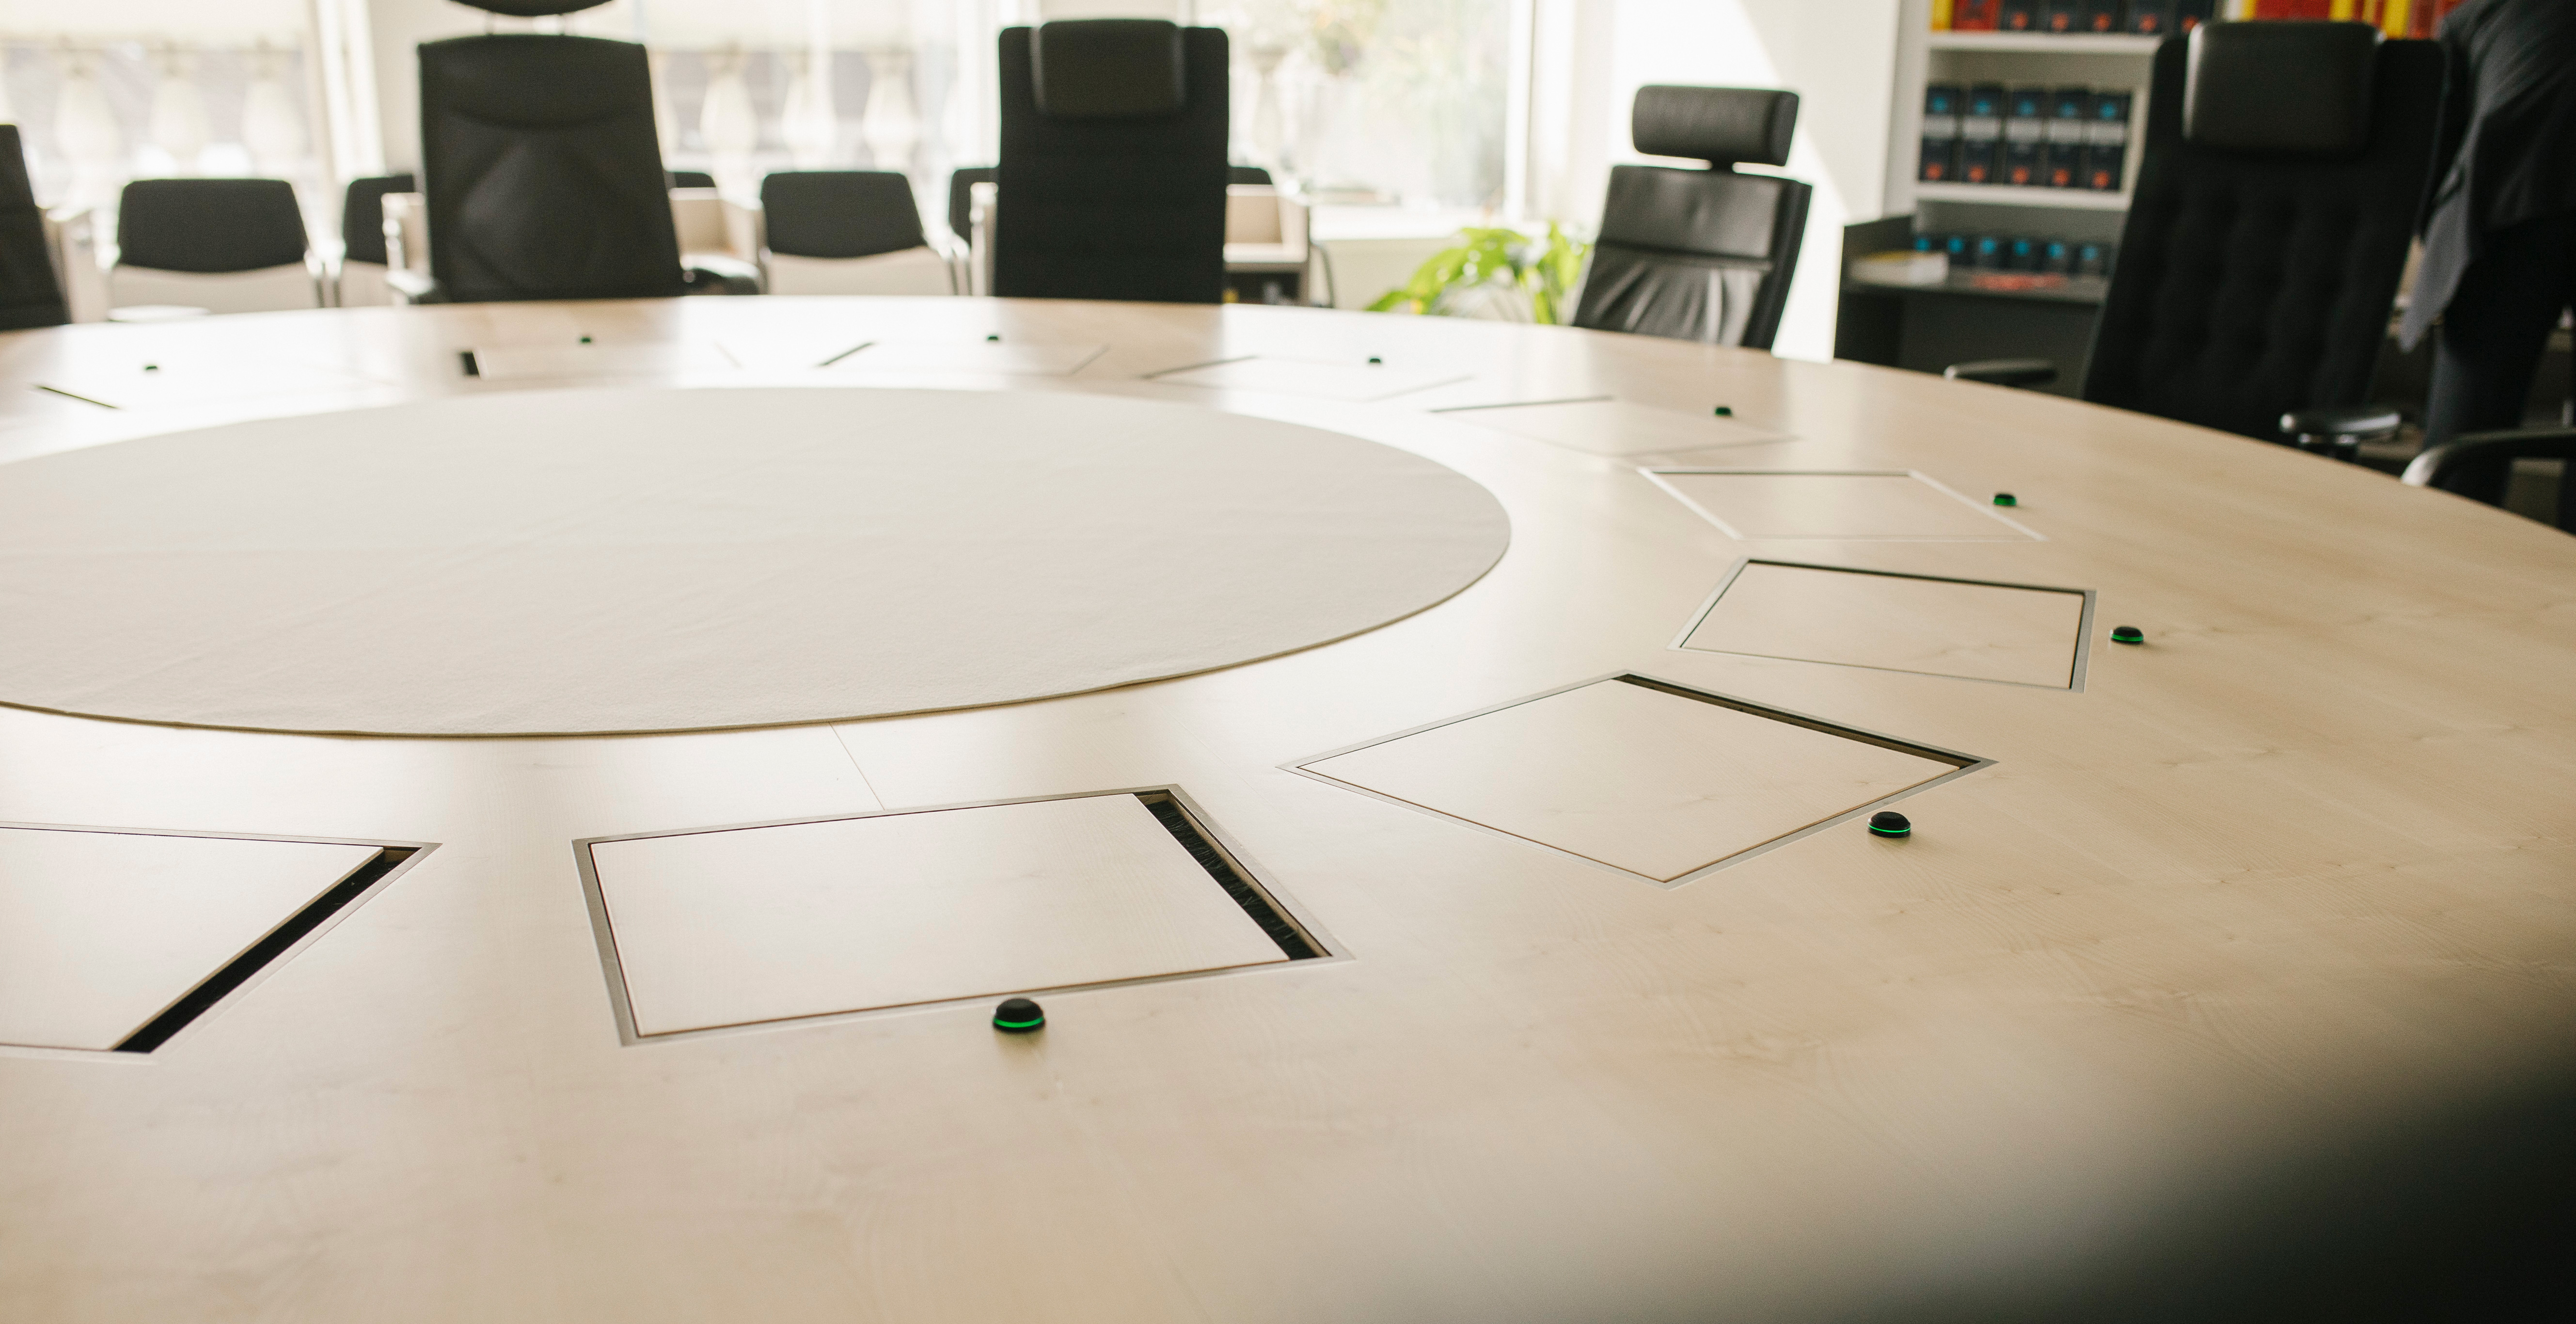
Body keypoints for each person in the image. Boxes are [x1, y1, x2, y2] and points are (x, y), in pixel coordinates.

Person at [2402, 0, 2576, 465]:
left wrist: (2439, 250)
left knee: (2462, 443)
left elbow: (2432, 153)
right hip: (2508, 199)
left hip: (2502, 211)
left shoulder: (2476, 17)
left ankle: (2447, 529)